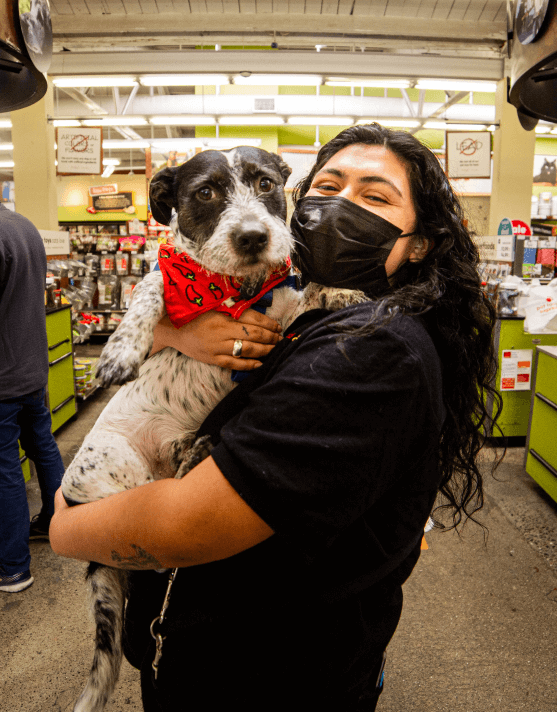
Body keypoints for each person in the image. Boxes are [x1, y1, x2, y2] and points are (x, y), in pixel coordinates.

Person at [50, 124, 501, 710]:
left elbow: (184, 527)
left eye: (375, 196)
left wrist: (65, 526)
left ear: (421, 242)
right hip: (207, 650)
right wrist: (173, 331)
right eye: (329, 185)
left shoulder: (372, 352)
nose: (339, 207)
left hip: (264, 680)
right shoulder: (319, 311)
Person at [0, 205, 66, 593]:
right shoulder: (24, 224)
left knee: (5, 468)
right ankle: (60, 523)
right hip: (31, 367)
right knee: (43, 446)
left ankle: (12, 568)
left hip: (4, 377)